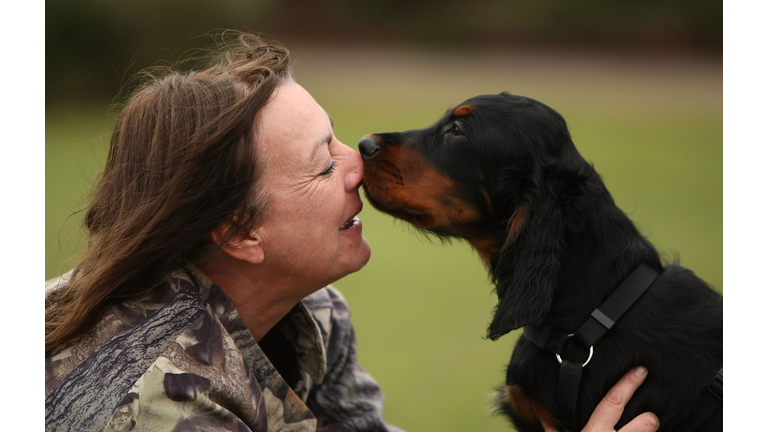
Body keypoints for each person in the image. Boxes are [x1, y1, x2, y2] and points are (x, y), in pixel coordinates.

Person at [45, 32, 660, 432]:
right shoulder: (154, 404)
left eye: (338, 135)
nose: (358, 164)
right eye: (322, 162)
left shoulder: (310, 314)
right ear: (239, 232)